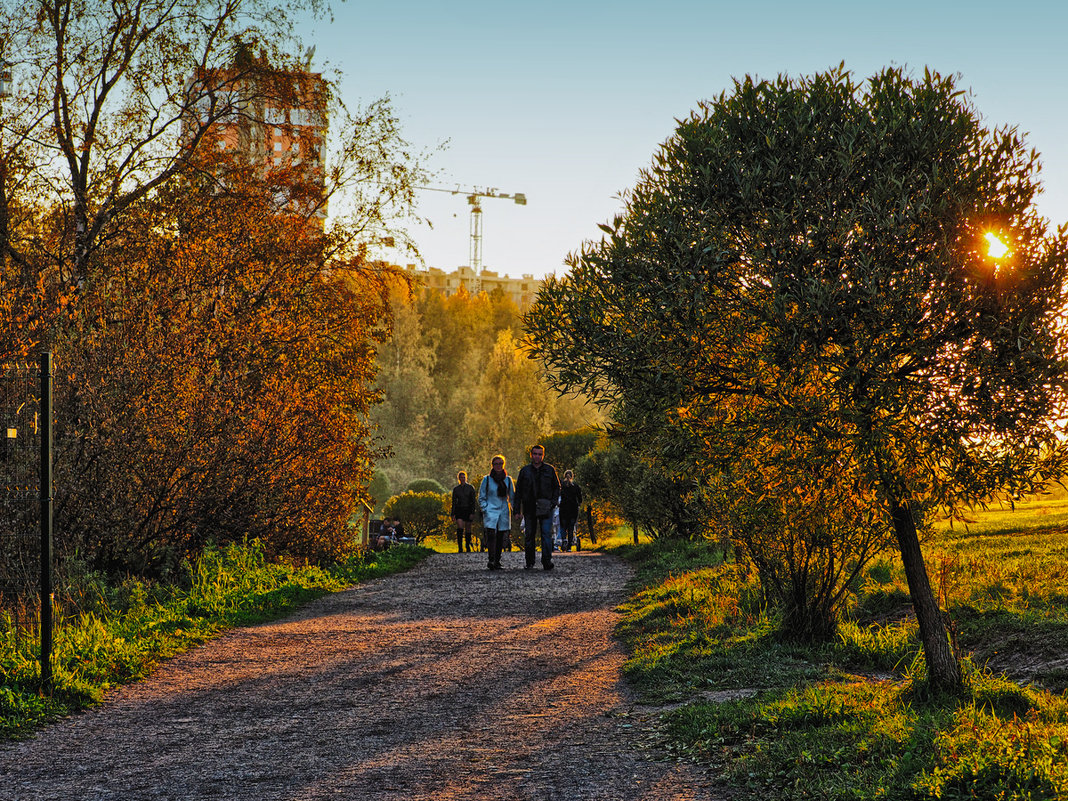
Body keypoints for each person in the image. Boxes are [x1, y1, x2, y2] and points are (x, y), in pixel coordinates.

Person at [515, 444, 561, 571]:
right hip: (529, 508)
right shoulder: (525, 471)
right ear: (531, 455)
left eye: (540, 454)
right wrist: (517, 509)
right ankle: (530, 562)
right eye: (535, 454)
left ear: (543, 455)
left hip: (546, 507)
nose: (537, 456)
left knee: (546, 534)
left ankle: (547, 561)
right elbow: (518, 491)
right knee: (529, 535)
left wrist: (553, 502)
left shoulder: (550, 470)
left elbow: (557, 487)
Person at [479, 455, 515, 571]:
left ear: (503, 465)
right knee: (490, 534)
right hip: (491, 509)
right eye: (496, 464)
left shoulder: (508, 479)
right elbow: (481, 496)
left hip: (503, 509)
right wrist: (485, 508)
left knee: (501, 535)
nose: (498, 466)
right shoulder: (487, 479)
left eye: (500, 463)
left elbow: (512, 497)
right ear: (492, 466)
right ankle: (491, 558)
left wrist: (516, 511)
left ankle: (497, 560)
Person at [451, 471, 478, 553]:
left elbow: (473, 501)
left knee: (468, 528)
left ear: (466, 478)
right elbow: (454, 502)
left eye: (464, 477)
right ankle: (460, 547)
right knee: (460, 527)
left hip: (468, 509)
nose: (462, 479)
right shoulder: (456, 489)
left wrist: (472, 512)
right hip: (459, 510)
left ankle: (467, 545)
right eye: (461, 477)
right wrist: (453, 513)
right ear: (459, 479)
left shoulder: (470, 488)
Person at [558, 470, 584, 551]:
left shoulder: (561, 485)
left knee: (563, 526)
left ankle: (564, 540)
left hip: (563, 508)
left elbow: (557, 495)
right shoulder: (576, 486)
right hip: (573, 509)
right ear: (572, 476)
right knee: (571, 527)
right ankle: (569, 546)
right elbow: (580, 498)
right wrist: (579, 503)